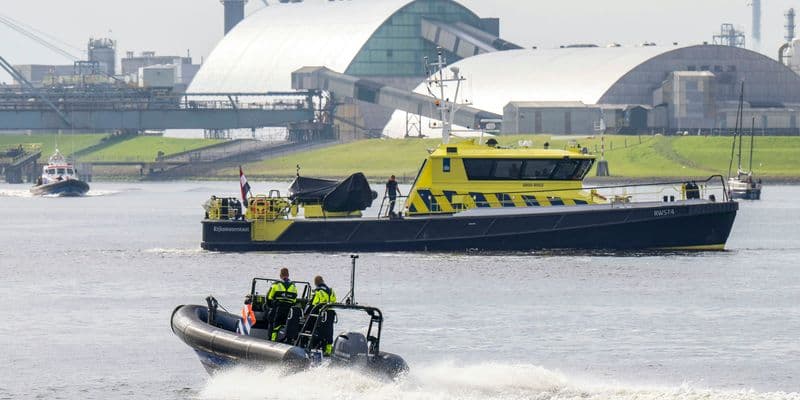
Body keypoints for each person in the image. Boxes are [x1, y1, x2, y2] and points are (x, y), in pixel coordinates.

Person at [306, 275, 337, 355]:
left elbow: (313, 304)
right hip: (330, 314)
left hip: (322, 315)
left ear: (316, 283)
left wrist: (306, 314)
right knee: (329, 332)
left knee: (317, 332)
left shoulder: (318, 291)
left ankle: (313, 349)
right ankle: (328, 351)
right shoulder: (331, 290)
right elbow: (334, 301)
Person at [266, 267, 298, 341]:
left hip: (278, 309)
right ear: (288, 275)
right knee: (285, 322)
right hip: (288, 310)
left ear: (280, 275)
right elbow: (294, 300)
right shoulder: (293, 286)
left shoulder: (276, 285)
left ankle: (271, 339)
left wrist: (270, 306)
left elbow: (269, 298)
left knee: (271, 319)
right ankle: (287, 339)